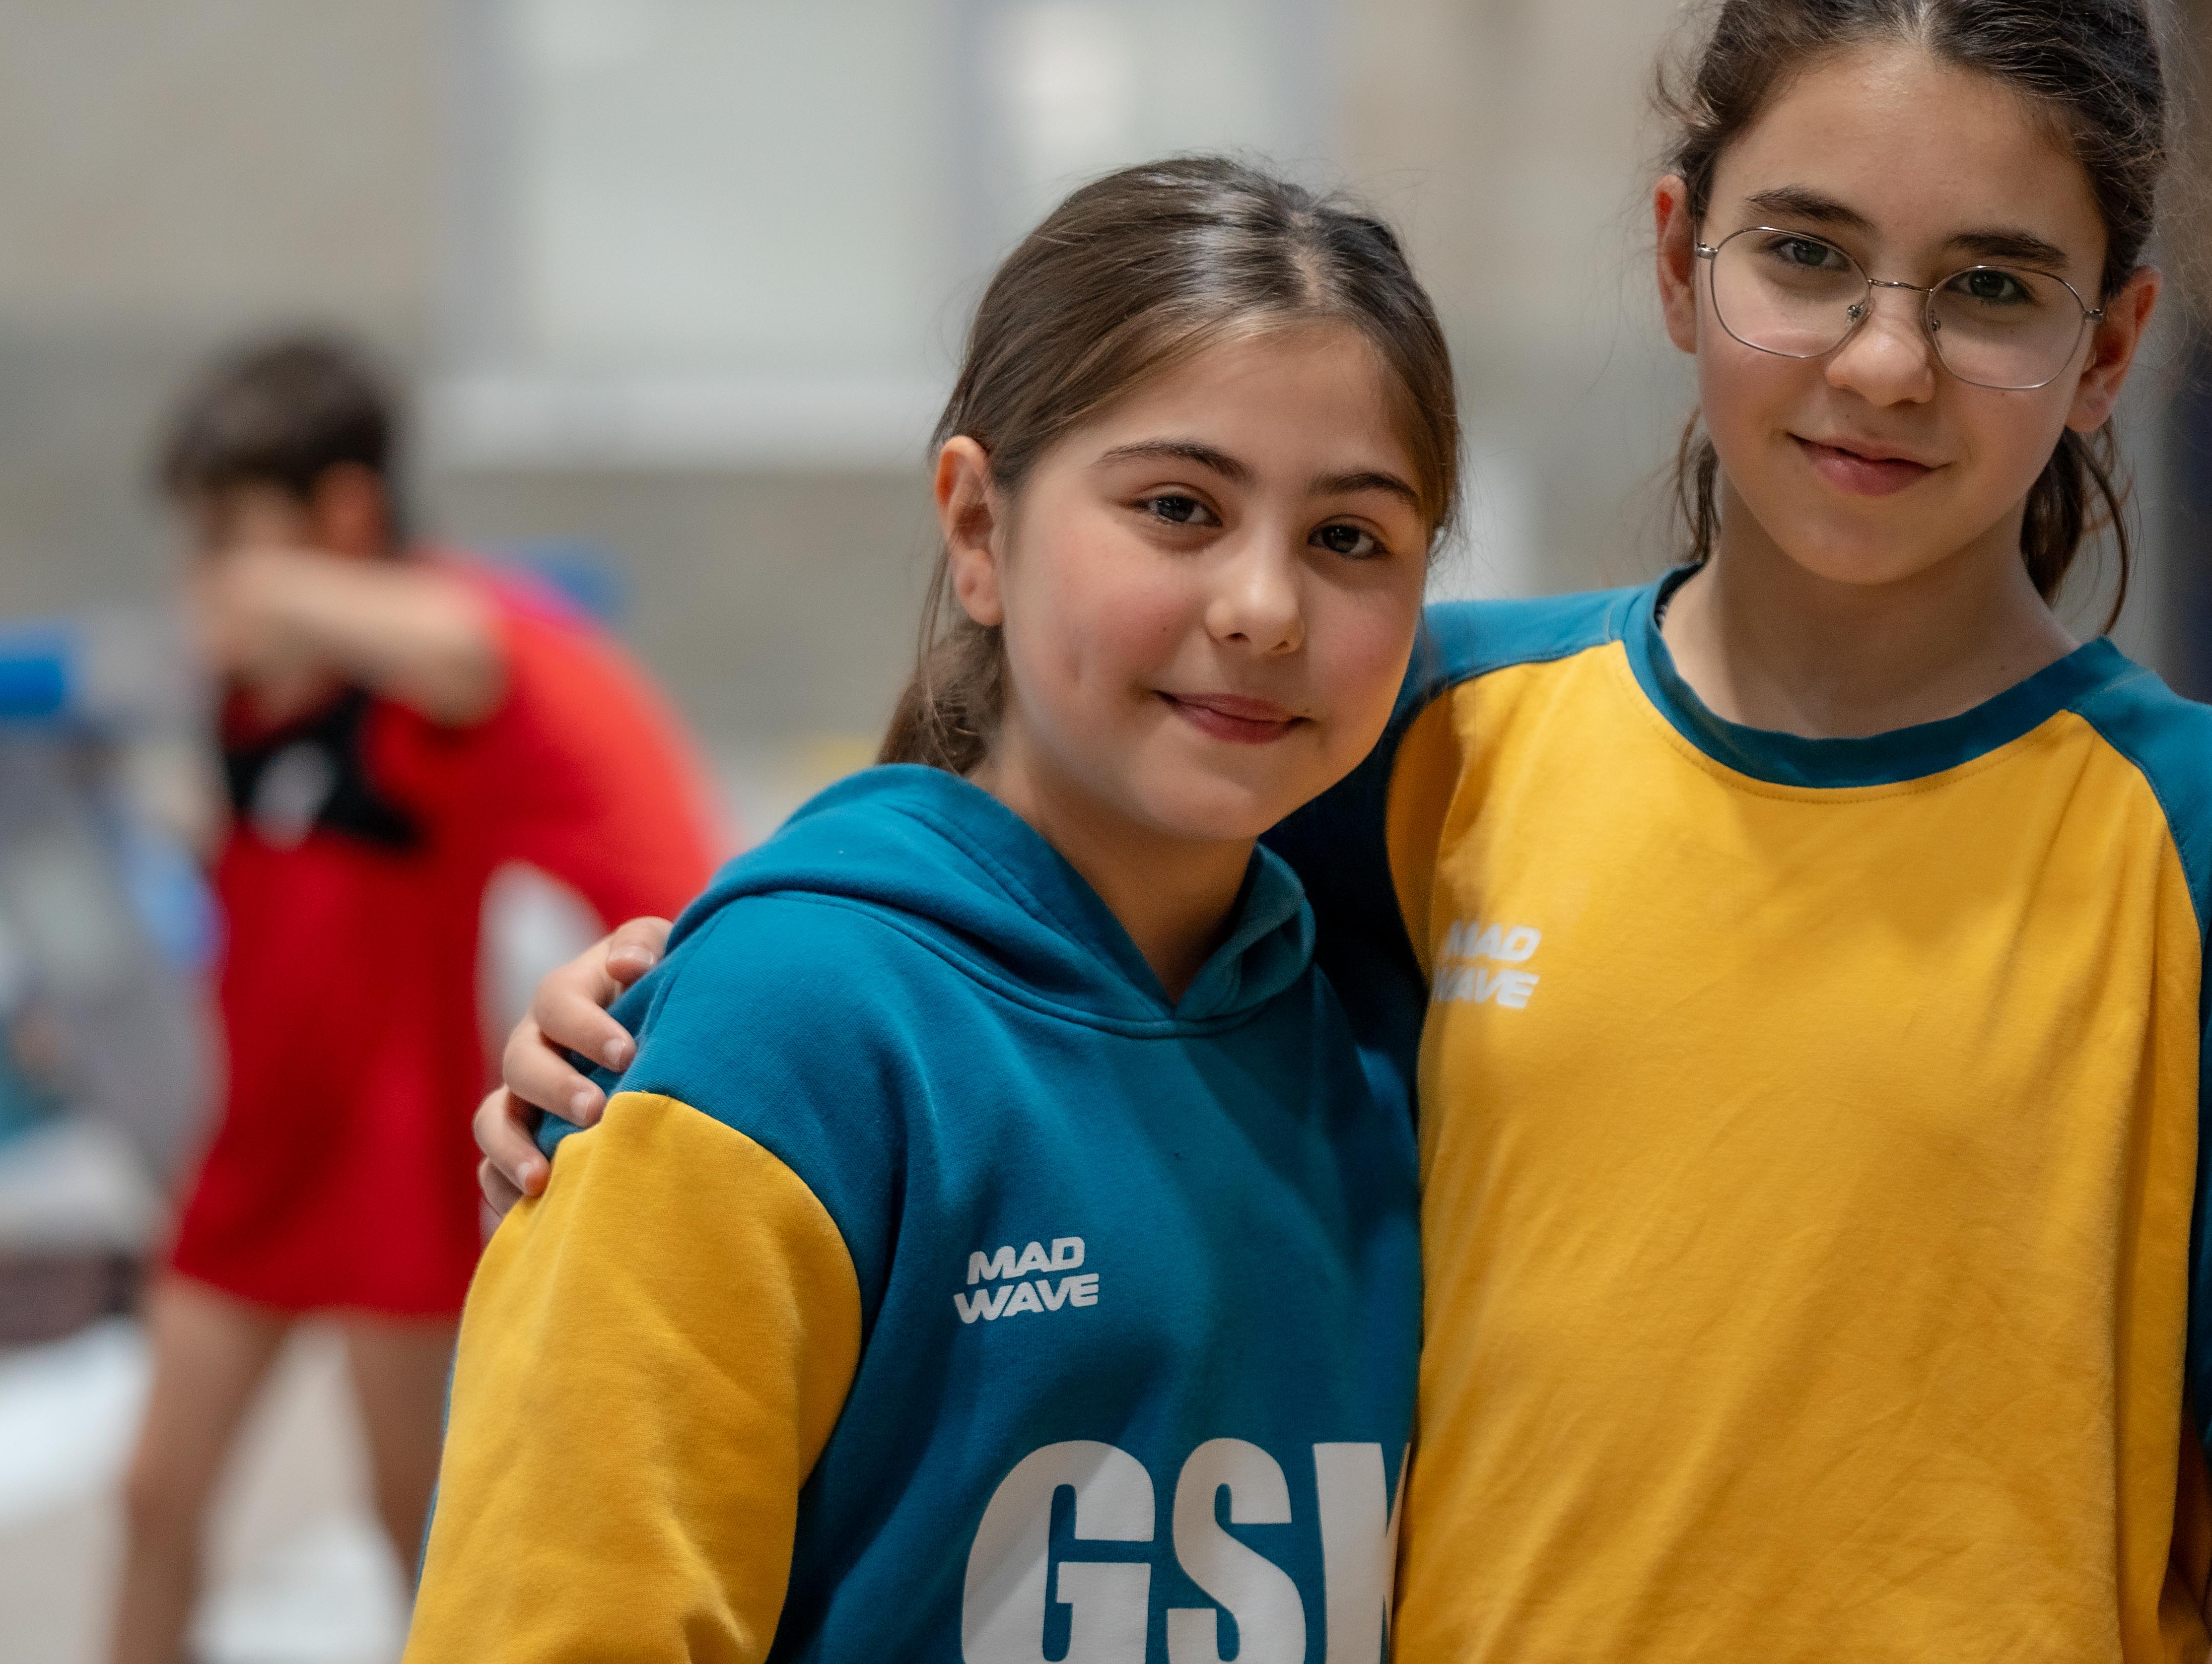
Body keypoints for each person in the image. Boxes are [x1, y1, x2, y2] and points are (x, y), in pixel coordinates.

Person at [486, 0, 2212, 1660]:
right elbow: (1040, 915)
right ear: (1681, 256)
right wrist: (675, 1021)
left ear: (2111, 344)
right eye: (1809, 253)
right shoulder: (1433, 730)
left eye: (1993, 287)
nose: (1886, 360)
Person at [404, 161, 1456, 1661]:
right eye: (1179, 509)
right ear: (977, 529)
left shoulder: (1392, 1042)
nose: (1265, 607)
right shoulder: (781, 1035)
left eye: (1350, 538)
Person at [113, 334, 721, 1664]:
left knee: (420, 1520)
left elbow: (465, 650)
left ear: (341, 518)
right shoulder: (264, 701)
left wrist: (268, 589)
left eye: (234, 537)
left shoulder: (447, 657)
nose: (208, 575)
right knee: (154, 1492)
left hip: (399, 1157)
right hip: (265, 1149)